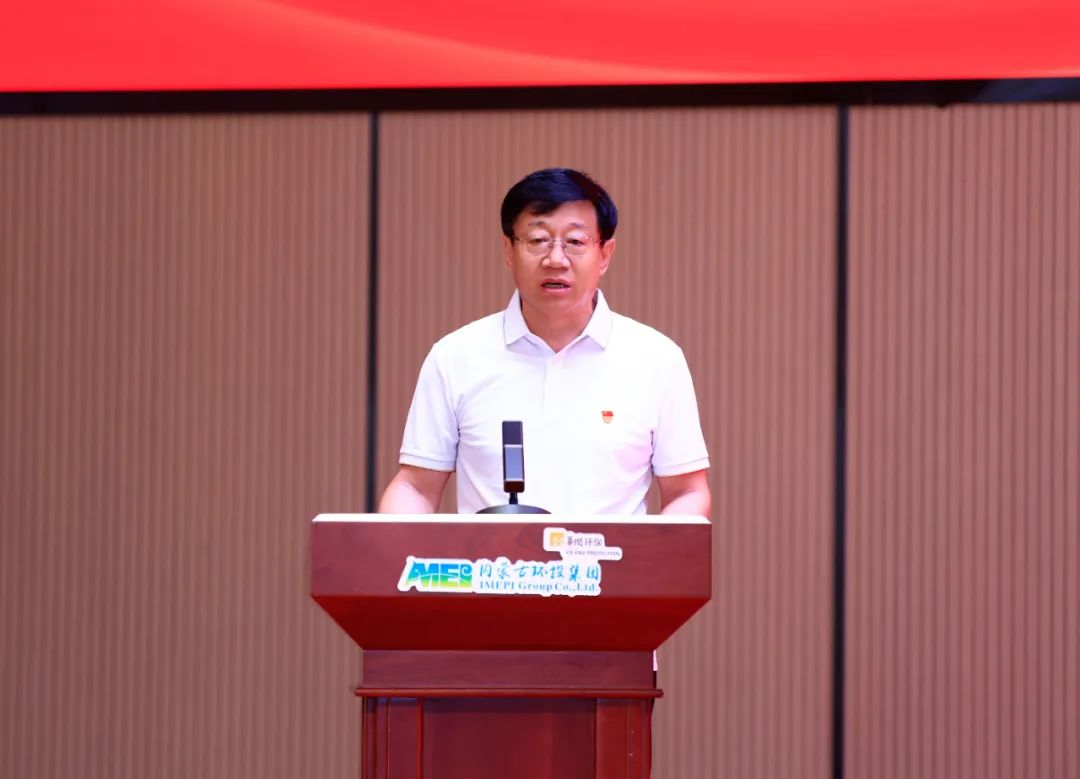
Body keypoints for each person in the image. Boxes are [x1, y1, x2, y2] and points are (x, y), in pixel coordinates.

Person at [378, 167, 710, 517]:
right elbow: (416, 487)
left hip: (612, 555)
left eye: (575, 242)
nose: (555, 259)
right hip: (491, 556)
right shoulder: (455, 357)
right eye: (537, 240)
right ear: (509, 250)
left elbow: (687, 492)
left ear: (605, 254)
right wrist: (390, 543)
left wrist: (651, 552)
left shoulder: (656, 359)